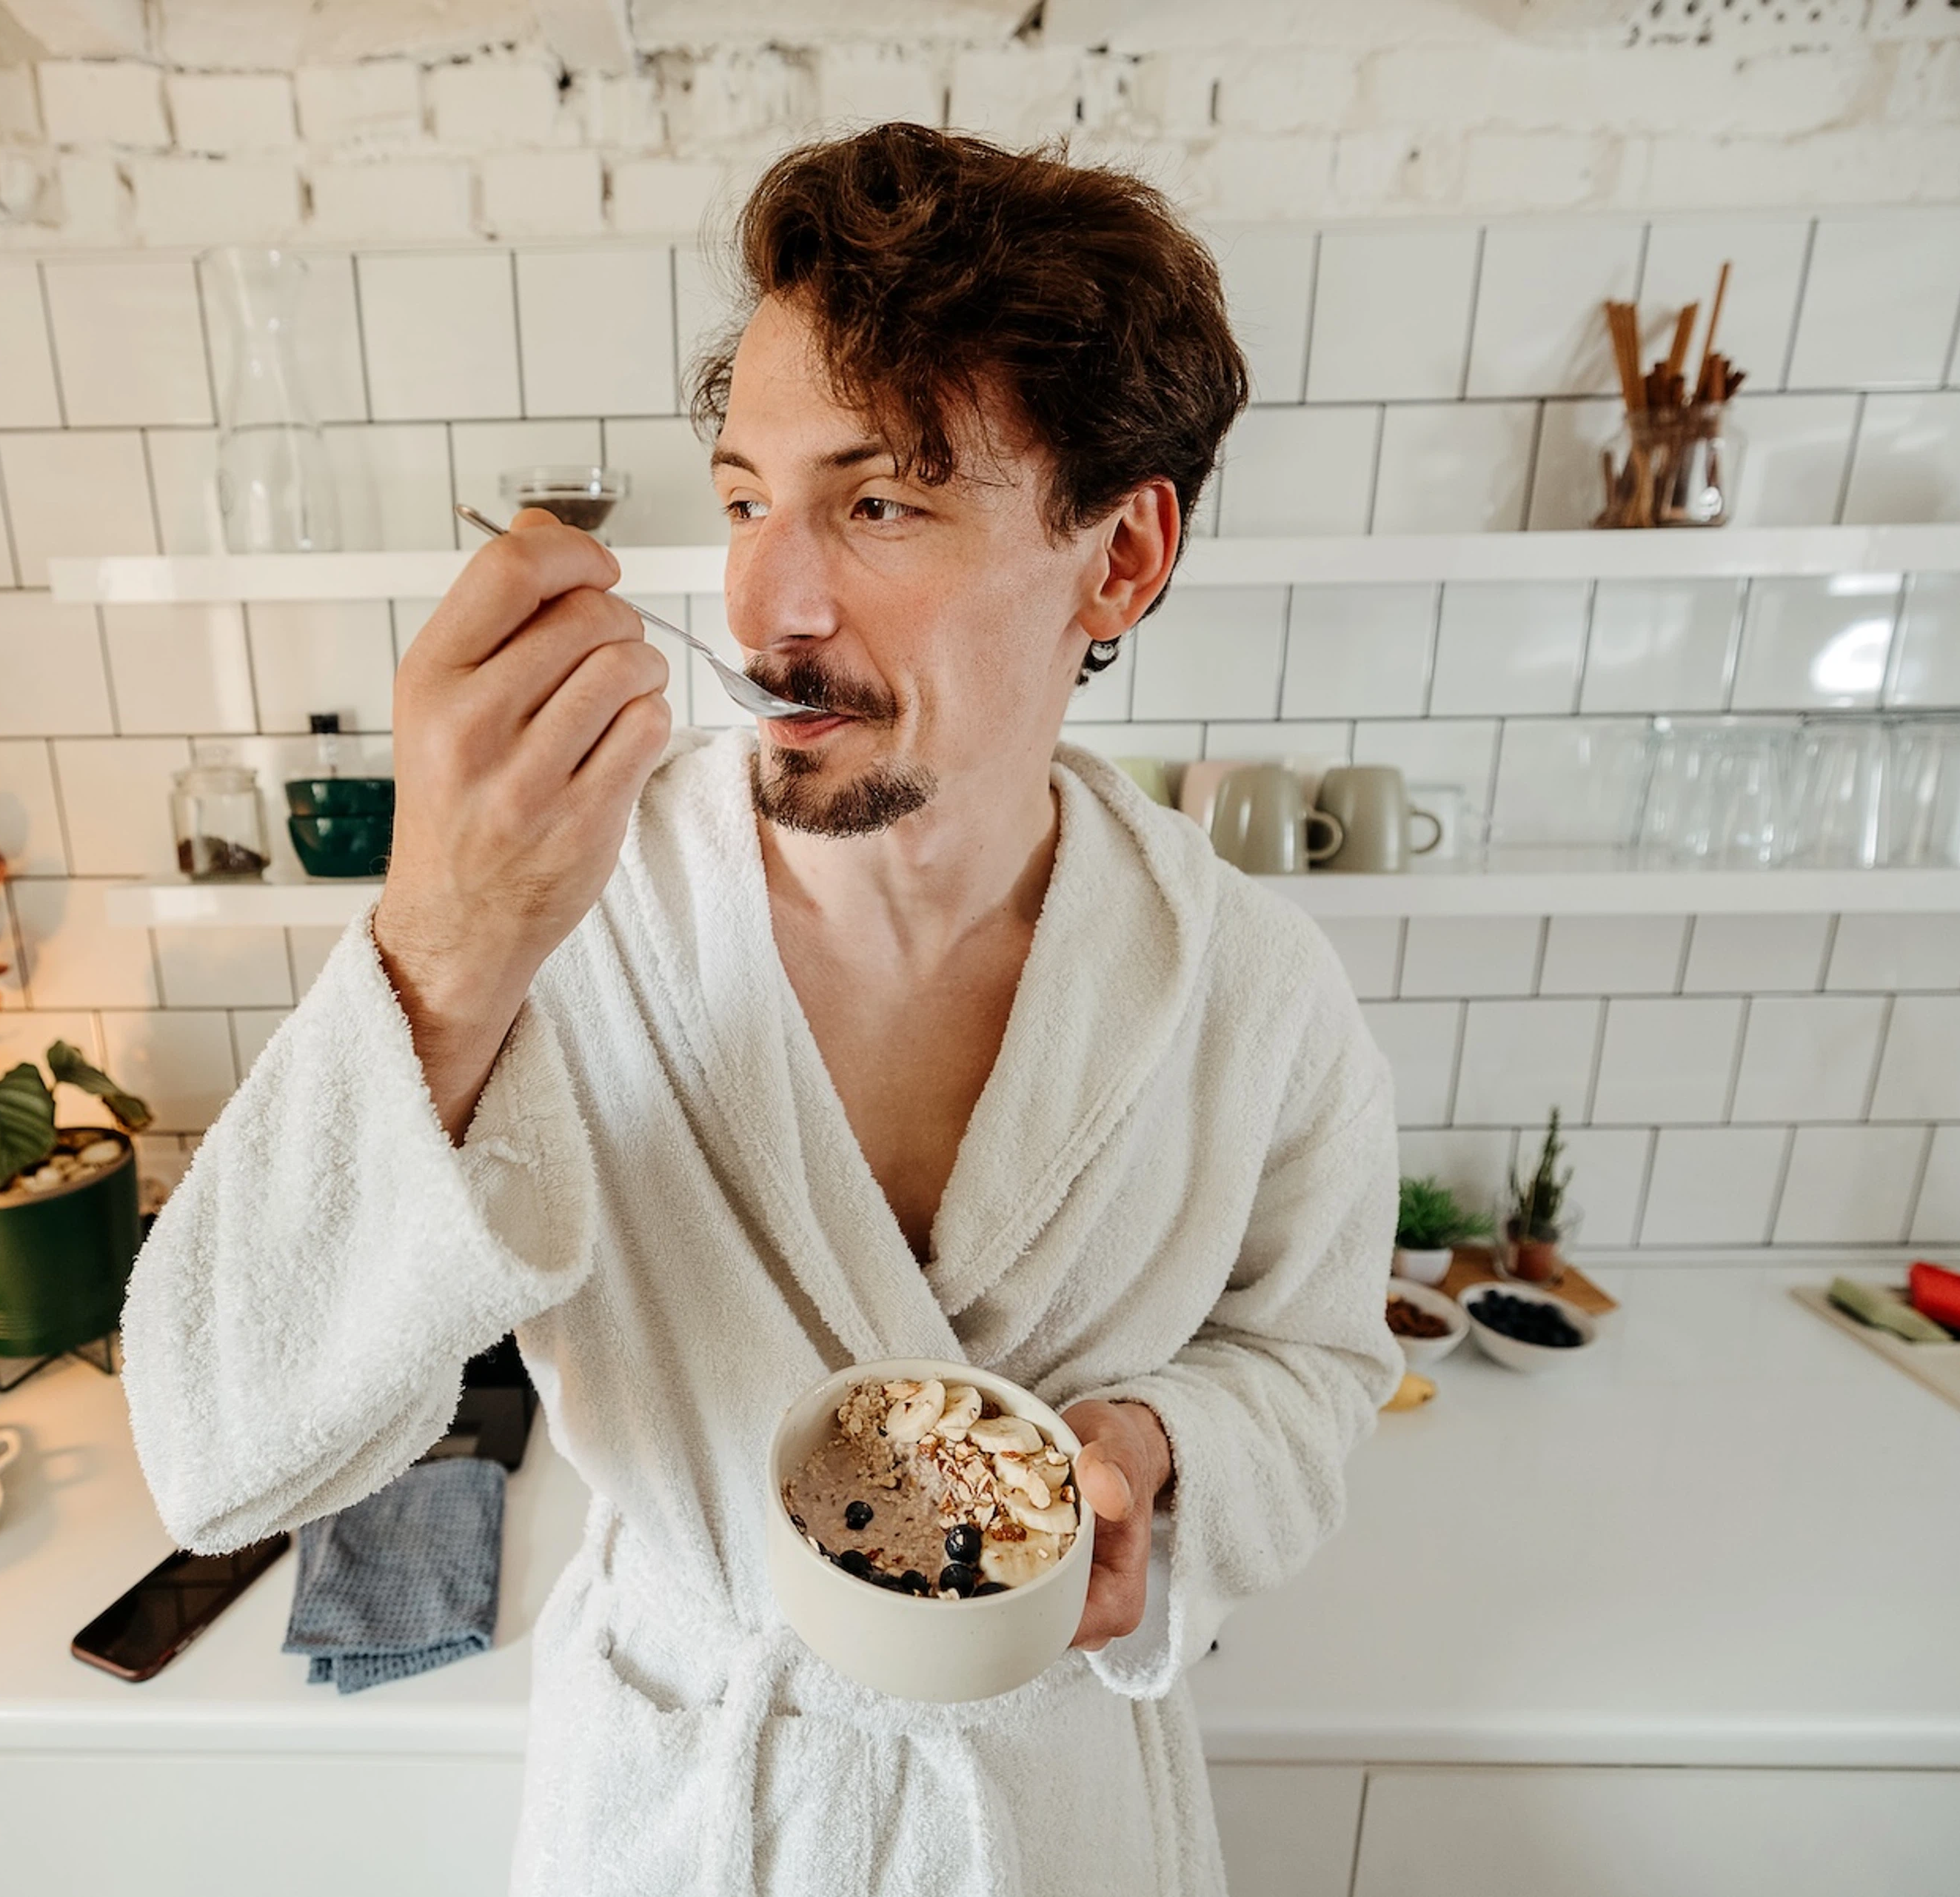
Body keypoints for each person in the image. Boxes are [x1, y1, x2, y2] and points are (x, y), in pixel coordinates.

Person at [122, 123, 1402, 1894]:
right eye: (743, 500)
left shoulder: (1250, 991)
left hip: (1047, 1819)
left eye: (880, 503)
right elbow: (222, 1455)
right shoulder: (571, 915)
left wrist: (1164, 1460)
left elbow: (1320, 1361)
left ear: (1118, 557)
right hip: (687, 1811)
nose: (765, 603)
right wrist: (448, 938)